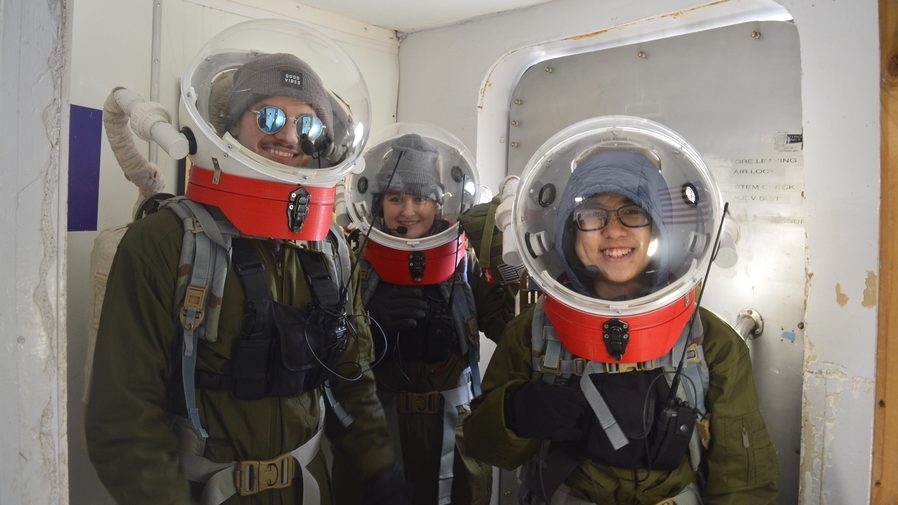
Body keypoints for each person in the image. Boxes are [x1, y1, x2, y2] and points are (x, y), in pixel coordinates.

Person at [85, 20, 406, 505]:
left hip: (307, 488)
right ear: (232, 124)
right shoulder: (164, 242)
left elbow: (352, 379)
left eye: (308, 125)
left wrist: (379, 467)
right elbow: (124, 420)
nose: (290, 136)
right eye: (270, 118)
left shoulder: (331, 249)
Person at [463, 116, 779, 504]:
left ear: (657, 227)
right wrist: (514, 413)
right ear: (570, 231)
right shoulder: (531, 333)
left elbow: (743, 482)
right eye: (592, 214)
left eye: (634, 211)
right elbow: (483, 447)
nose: (613, 231)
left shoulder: (711, 342)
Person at [334, 125, 514, 505]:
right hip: (376, 431)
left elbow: (509, 331)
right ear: (379, 203)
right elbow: (328, 354)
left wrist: (504, 255)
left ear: (438, 203)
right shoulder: (353, 262)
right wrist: (368, 323)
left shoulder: (465, 263)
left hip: (454, 433)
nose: (408, 210)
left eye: (420, 198)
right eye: (396, 198)